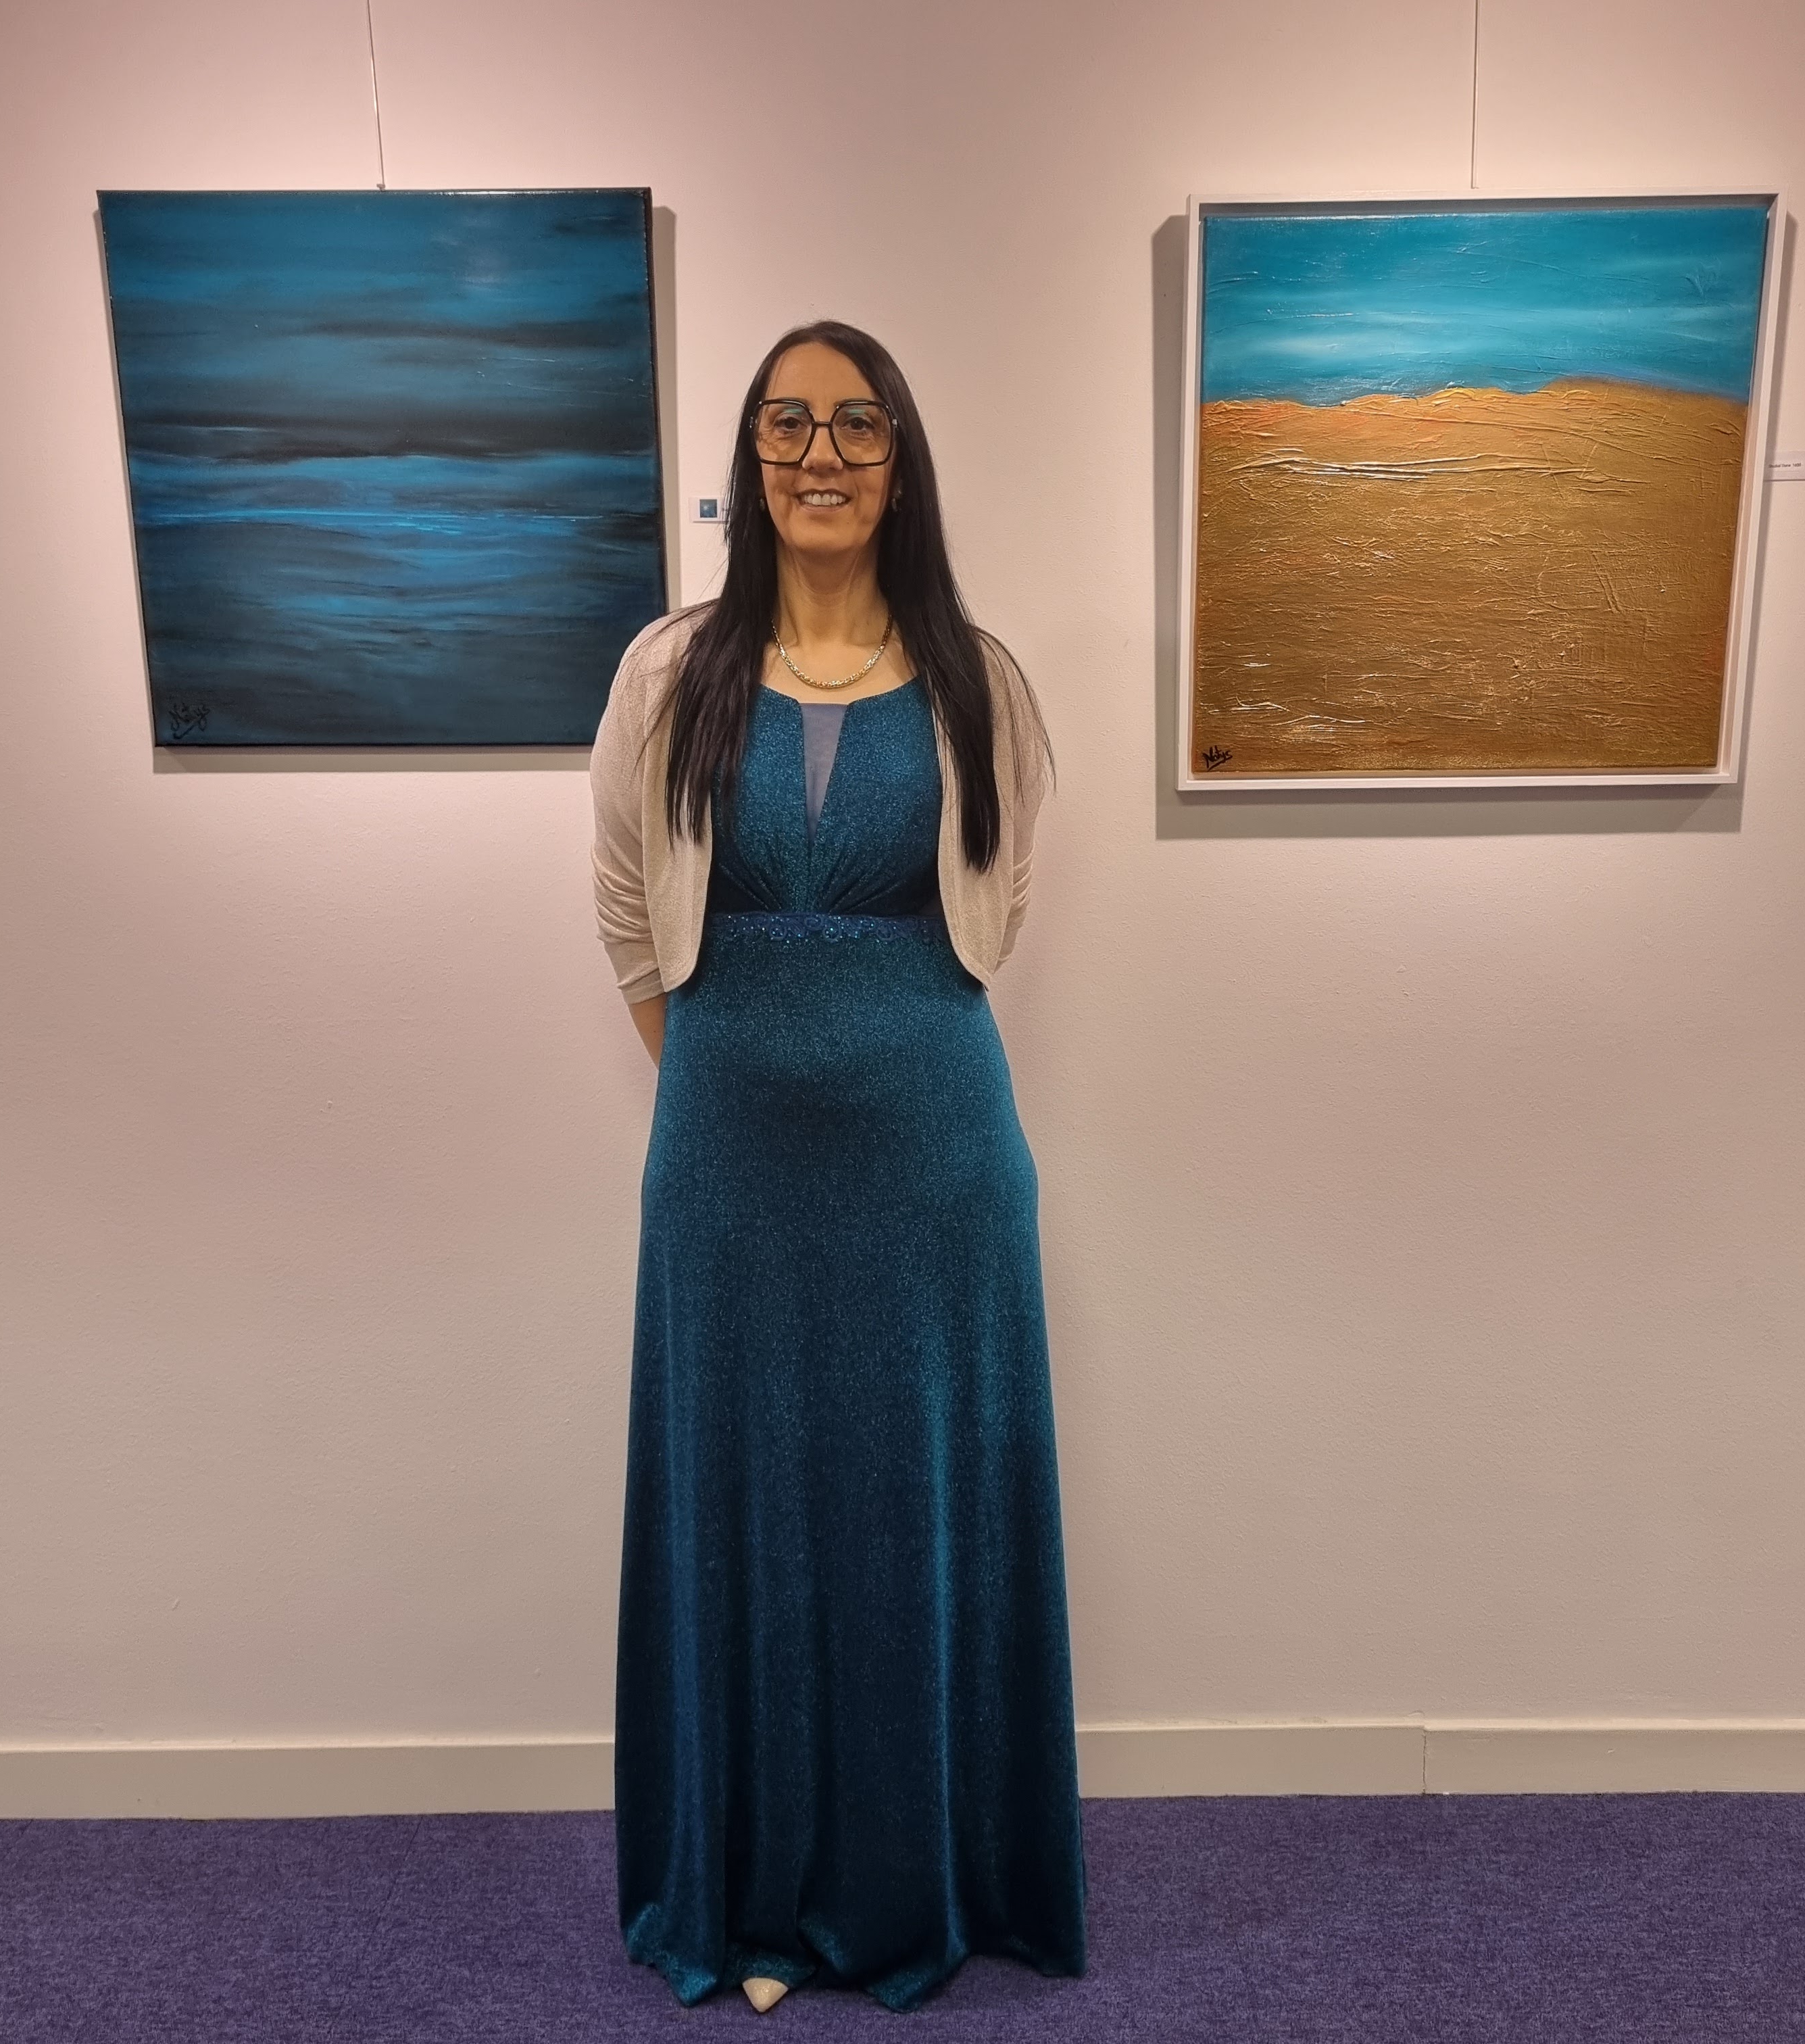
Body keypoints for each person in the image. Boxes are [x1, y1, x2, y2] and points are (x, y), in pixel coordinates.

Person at [589, 320, 1087, 2014]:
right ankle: (748, 1896)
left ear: (900, 460)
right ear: (750, 458)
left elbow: (997, 907)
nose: (822, 454)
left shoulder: (977, 677)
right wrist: (736, 1077)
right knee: (741, 1504)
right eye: (790, 423)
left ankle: (916, 1879)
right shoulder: (669, 671)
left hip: (936, 1162)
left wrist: (851, 1040)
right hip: (725, 1164)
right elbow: (627, 913)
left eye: (858, 424)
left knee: (912, 1503)